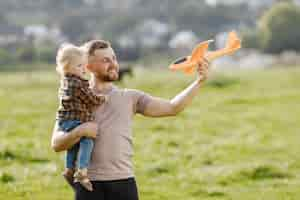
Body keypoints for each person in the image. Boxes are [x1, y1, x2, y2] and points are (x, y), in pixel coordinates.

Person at [51, 39, 210, 200]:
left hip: (124, 184)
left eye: (114, 58)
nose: (113, 64)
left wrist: (199, 81)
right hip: (88, 185)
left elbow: (172, 107)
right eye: (105, 60)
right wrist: (80, 131)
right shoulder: (74, 99)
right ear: (88, 66)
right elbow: (56, 144)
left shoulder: (130, 97)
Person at [55, 43, 107, 191]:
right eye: (79, 66)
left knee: (73, 144)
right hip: (75, 119)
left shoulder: (65, 81)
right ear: (66, 67)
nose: (83, 69)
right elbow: (89, 98)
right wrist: (102, 99)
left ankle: (69, 169)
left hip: (65, 120)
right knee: (87, 140)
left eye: (83, 65)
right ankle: (82, 172)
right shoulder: (77, 83)